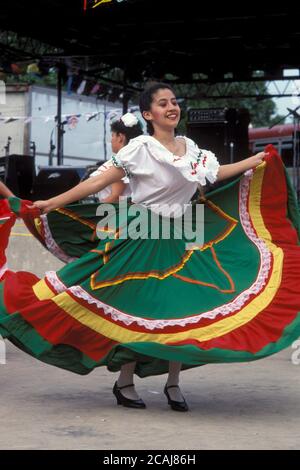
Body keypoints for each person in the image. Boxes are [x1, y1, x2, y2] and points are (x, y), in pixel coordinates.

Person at [0, 83, 299, 413]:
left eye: (174, 101)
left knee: (179, 308)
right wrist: (51, 203)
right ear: (148, 114)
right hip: (139, 236)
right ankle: (125, 381)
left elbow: (215, 174)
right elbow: (97, 183)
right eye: (162, 103)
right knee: (135, 304)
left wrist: (255, 160)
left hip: (183, 236)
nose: (171, 106)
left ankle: (173, 383)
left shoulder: (192, 149)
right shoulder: (139, 148)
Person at [89, 113, 143, 203]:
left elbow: (115, 197)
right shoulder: (135, 159)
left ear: (120, 137)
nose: (111, 140)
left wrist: (92, 213)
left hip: (114, 213)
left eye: (113, 135)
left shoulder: (121, 161)